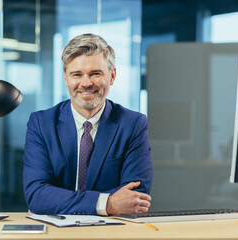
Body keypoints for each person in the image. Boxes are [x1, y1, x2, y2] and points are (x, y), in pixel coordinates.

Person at [23, 33, 153, 215]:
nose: (86, 83)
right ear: (66, 79)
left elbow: (136, 198)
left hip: (111, 232)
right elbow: (37, 195)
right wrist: (107, 203)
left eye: (95, 73)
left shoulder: (133, 125)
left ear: (112, 76)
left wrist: (57, 200)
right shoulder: (41, 124)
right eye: (77, 74)